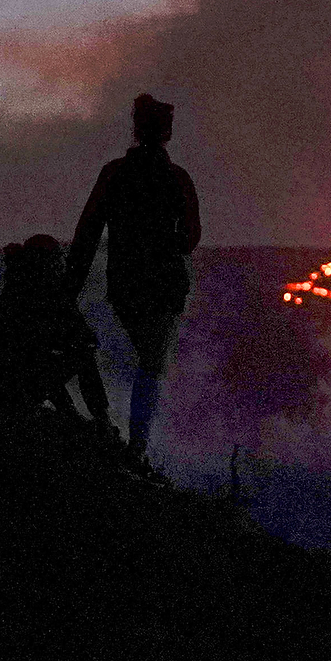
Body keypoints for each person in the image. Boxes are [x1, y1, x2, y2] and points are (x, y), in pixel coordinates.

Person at [68, 93, 203, 458]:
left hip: (123, 286)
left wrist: (68, 290)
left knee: (121, 359)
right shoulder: (177, 178)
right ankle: (138, 447)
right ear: (167, 133)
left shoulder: (114, 173)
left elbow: (87, 232)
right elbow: (191, 236)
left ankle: (108, 429)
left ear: (136, 129)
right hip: (164, 288)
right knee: (150, 366)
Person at [0, 234, 112, 427]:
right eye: (58, 257)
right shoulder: (48, 294)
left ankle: (80, 414)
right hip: (11, 386)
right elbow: (39, 357)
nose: (63, 262)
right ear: (48, 263)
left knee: (64, 354)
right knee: (83, 355)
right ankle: (102, 419)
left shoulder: (16, 288)